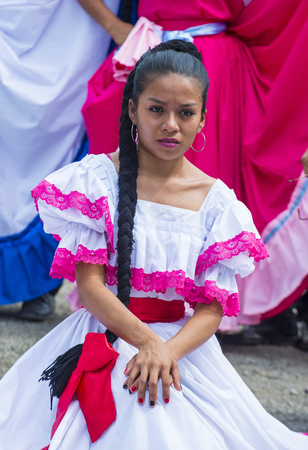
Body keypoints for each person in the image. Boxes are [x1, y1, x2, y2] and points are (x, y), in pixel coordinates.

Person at [0, 41, 307, 449]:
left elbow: (211, 309)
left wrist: (165, 353)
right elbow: (90, 285)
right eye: (156, 109)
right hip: (105, 329)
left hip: (180, 348)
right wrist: (145, 342)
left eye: (185, 113)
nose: (170, 125)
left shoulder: (218, 204)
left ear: (202, 120)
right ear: (132, 110)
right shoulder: (98, 180)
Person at [76, 0, 308, 334]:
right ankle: (119, 294)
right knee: (124, 174)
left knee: (195, 185)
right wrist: (113, 26)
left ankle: (195, 306)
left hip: (214, 60)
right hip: (150, 50)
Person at [0, 0, 120, 320]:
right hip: (35, 23)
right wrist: (114, 26)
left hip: (79, 42)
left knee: (58, 153)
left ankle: (38, 286)